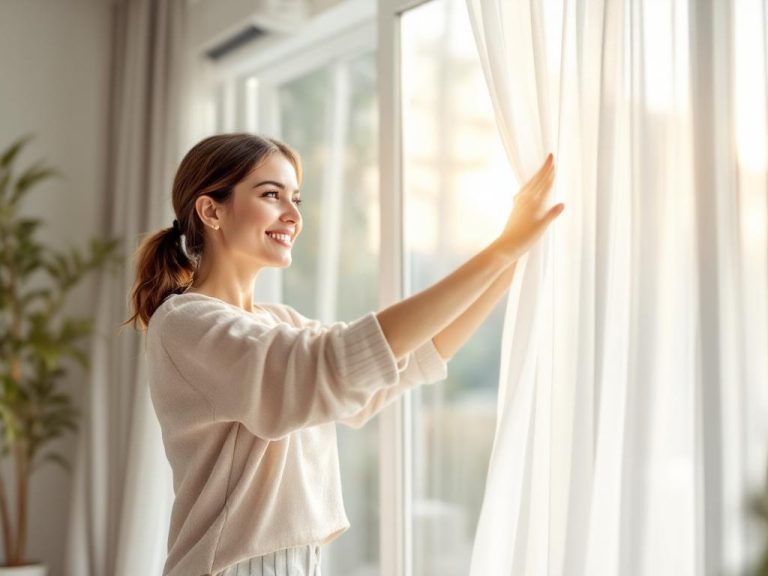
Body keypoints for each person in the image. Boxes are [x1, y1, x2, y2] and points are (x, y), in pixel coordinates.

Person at [123, 132, 563, 576]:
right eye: (272, 195)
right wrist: (500, 249)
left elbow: (400, 363)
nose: (293, 215)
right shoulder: (185, 322)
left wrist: (510, 264)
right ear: (211, 211)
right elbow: (335, 363)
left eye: (296, 198)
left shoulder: (279, 322)